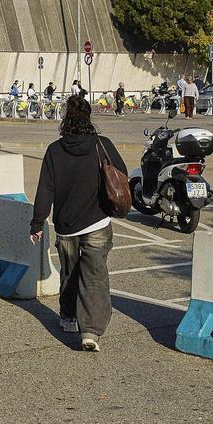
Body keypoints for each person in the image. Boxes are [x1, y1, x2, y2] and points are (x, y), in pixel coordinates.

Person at [29, 96, 125, 352]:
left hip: (66, 225)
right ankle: (90, 332)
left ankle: (69, 317)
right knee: (95, 275)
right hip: (97, 222)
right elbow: (121, 173)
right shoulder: (101, 145)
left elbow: (45, 189)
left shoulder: (54, 150)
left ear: (65, 118)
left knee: (69, 273)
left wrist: (37, 223)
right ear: (88, 117)